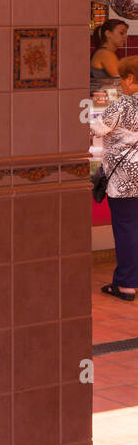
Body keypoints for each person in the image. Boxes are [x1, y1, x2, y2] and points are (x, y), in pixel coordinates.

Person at [93, 55, 138, 302]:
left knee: (127, 230)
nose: (121, 83)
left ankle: (127, 285)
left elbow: (96, 129)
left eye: (122, 78)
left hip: (125, 180)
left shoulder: (123, 105)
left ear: (130, 78)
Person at [92, 19, 127, 87]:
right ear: (108, 33)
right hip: (101, 95)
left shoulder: (104, 52)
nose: (126, 36)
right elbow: (122, 79)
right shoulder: (105, 54)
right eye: (121, 33)